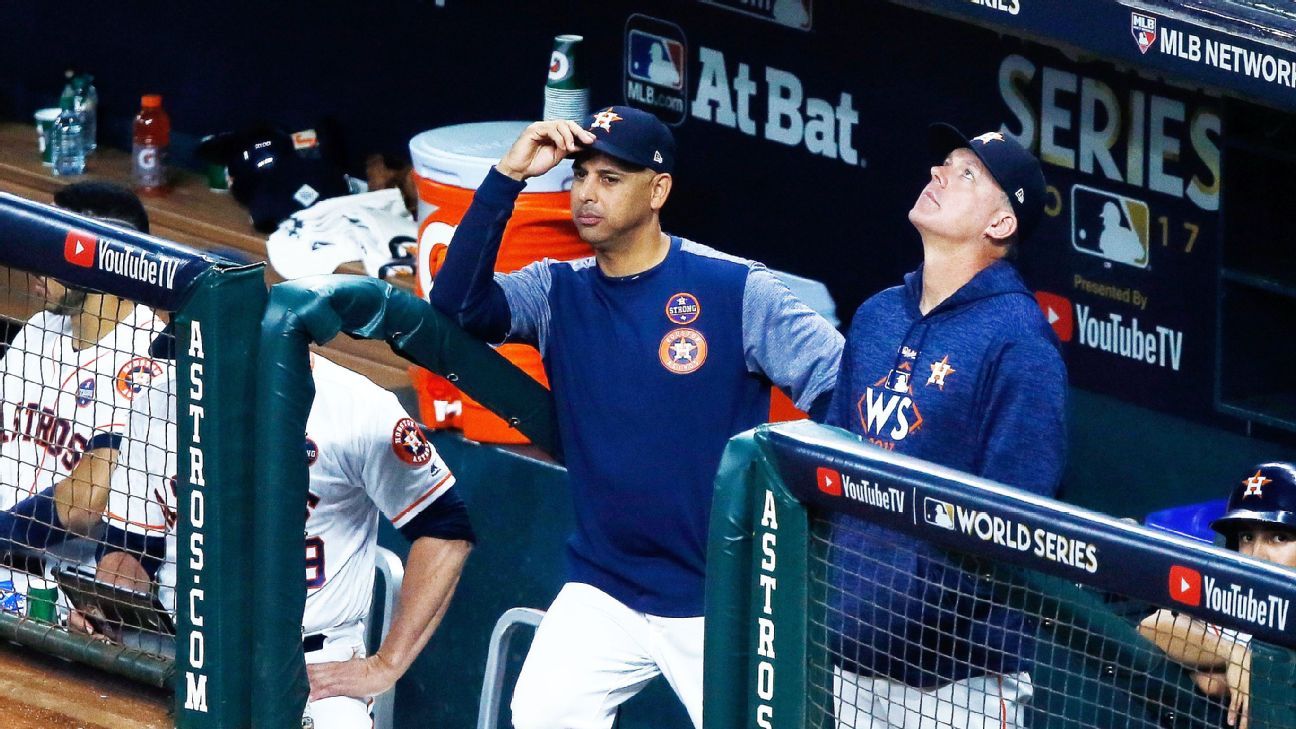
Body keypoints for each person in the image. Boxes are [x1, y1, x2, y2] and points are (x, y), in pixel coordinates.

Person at [430, 105, 843, 728]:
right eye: (581, 176)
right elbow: (458, 305)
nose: (587, 194)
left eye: (610, 178)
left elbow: (844, 389)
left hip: (721, 595)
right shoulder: (555, 290)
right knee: (541, 713)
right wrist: (508, 174)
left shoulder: (732, 288)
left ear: (658, 191)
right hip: (606, 586)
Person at [825, 124, 1067, 728]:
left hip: (961, 682)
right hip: (852, 658)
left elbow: (1017, 524)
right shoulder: (878, 315)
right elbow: (826, 466)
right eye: (944, 163)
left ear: (1001, 224)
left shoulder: (1020, 342)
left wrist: (914, 612)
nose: (938, 173)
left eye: (966, 174)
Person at [84, 353, 474, 729]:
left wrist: (384, 666)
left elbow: (447, 530)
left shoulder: (356, 408)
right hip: (180, 652)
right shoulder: (161, 398)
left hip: (310, 671)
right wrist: (108, 609)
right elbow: (130, 548)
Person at [0, 182, 167, 569]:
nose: (37, 262)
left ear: (102, 258)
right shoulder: (40, 327)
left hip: (59, 591)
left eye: (55, 247)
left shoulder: (149, 363)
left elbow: (86, 501)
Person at [1139, 462, 1296, 729]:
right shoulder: (1239, 594)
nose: (1257, 554)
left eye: (1278, 537)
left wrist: (1229, 668)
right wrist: (1233, 655)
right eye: (1247, 537)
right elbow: (1154, 626)